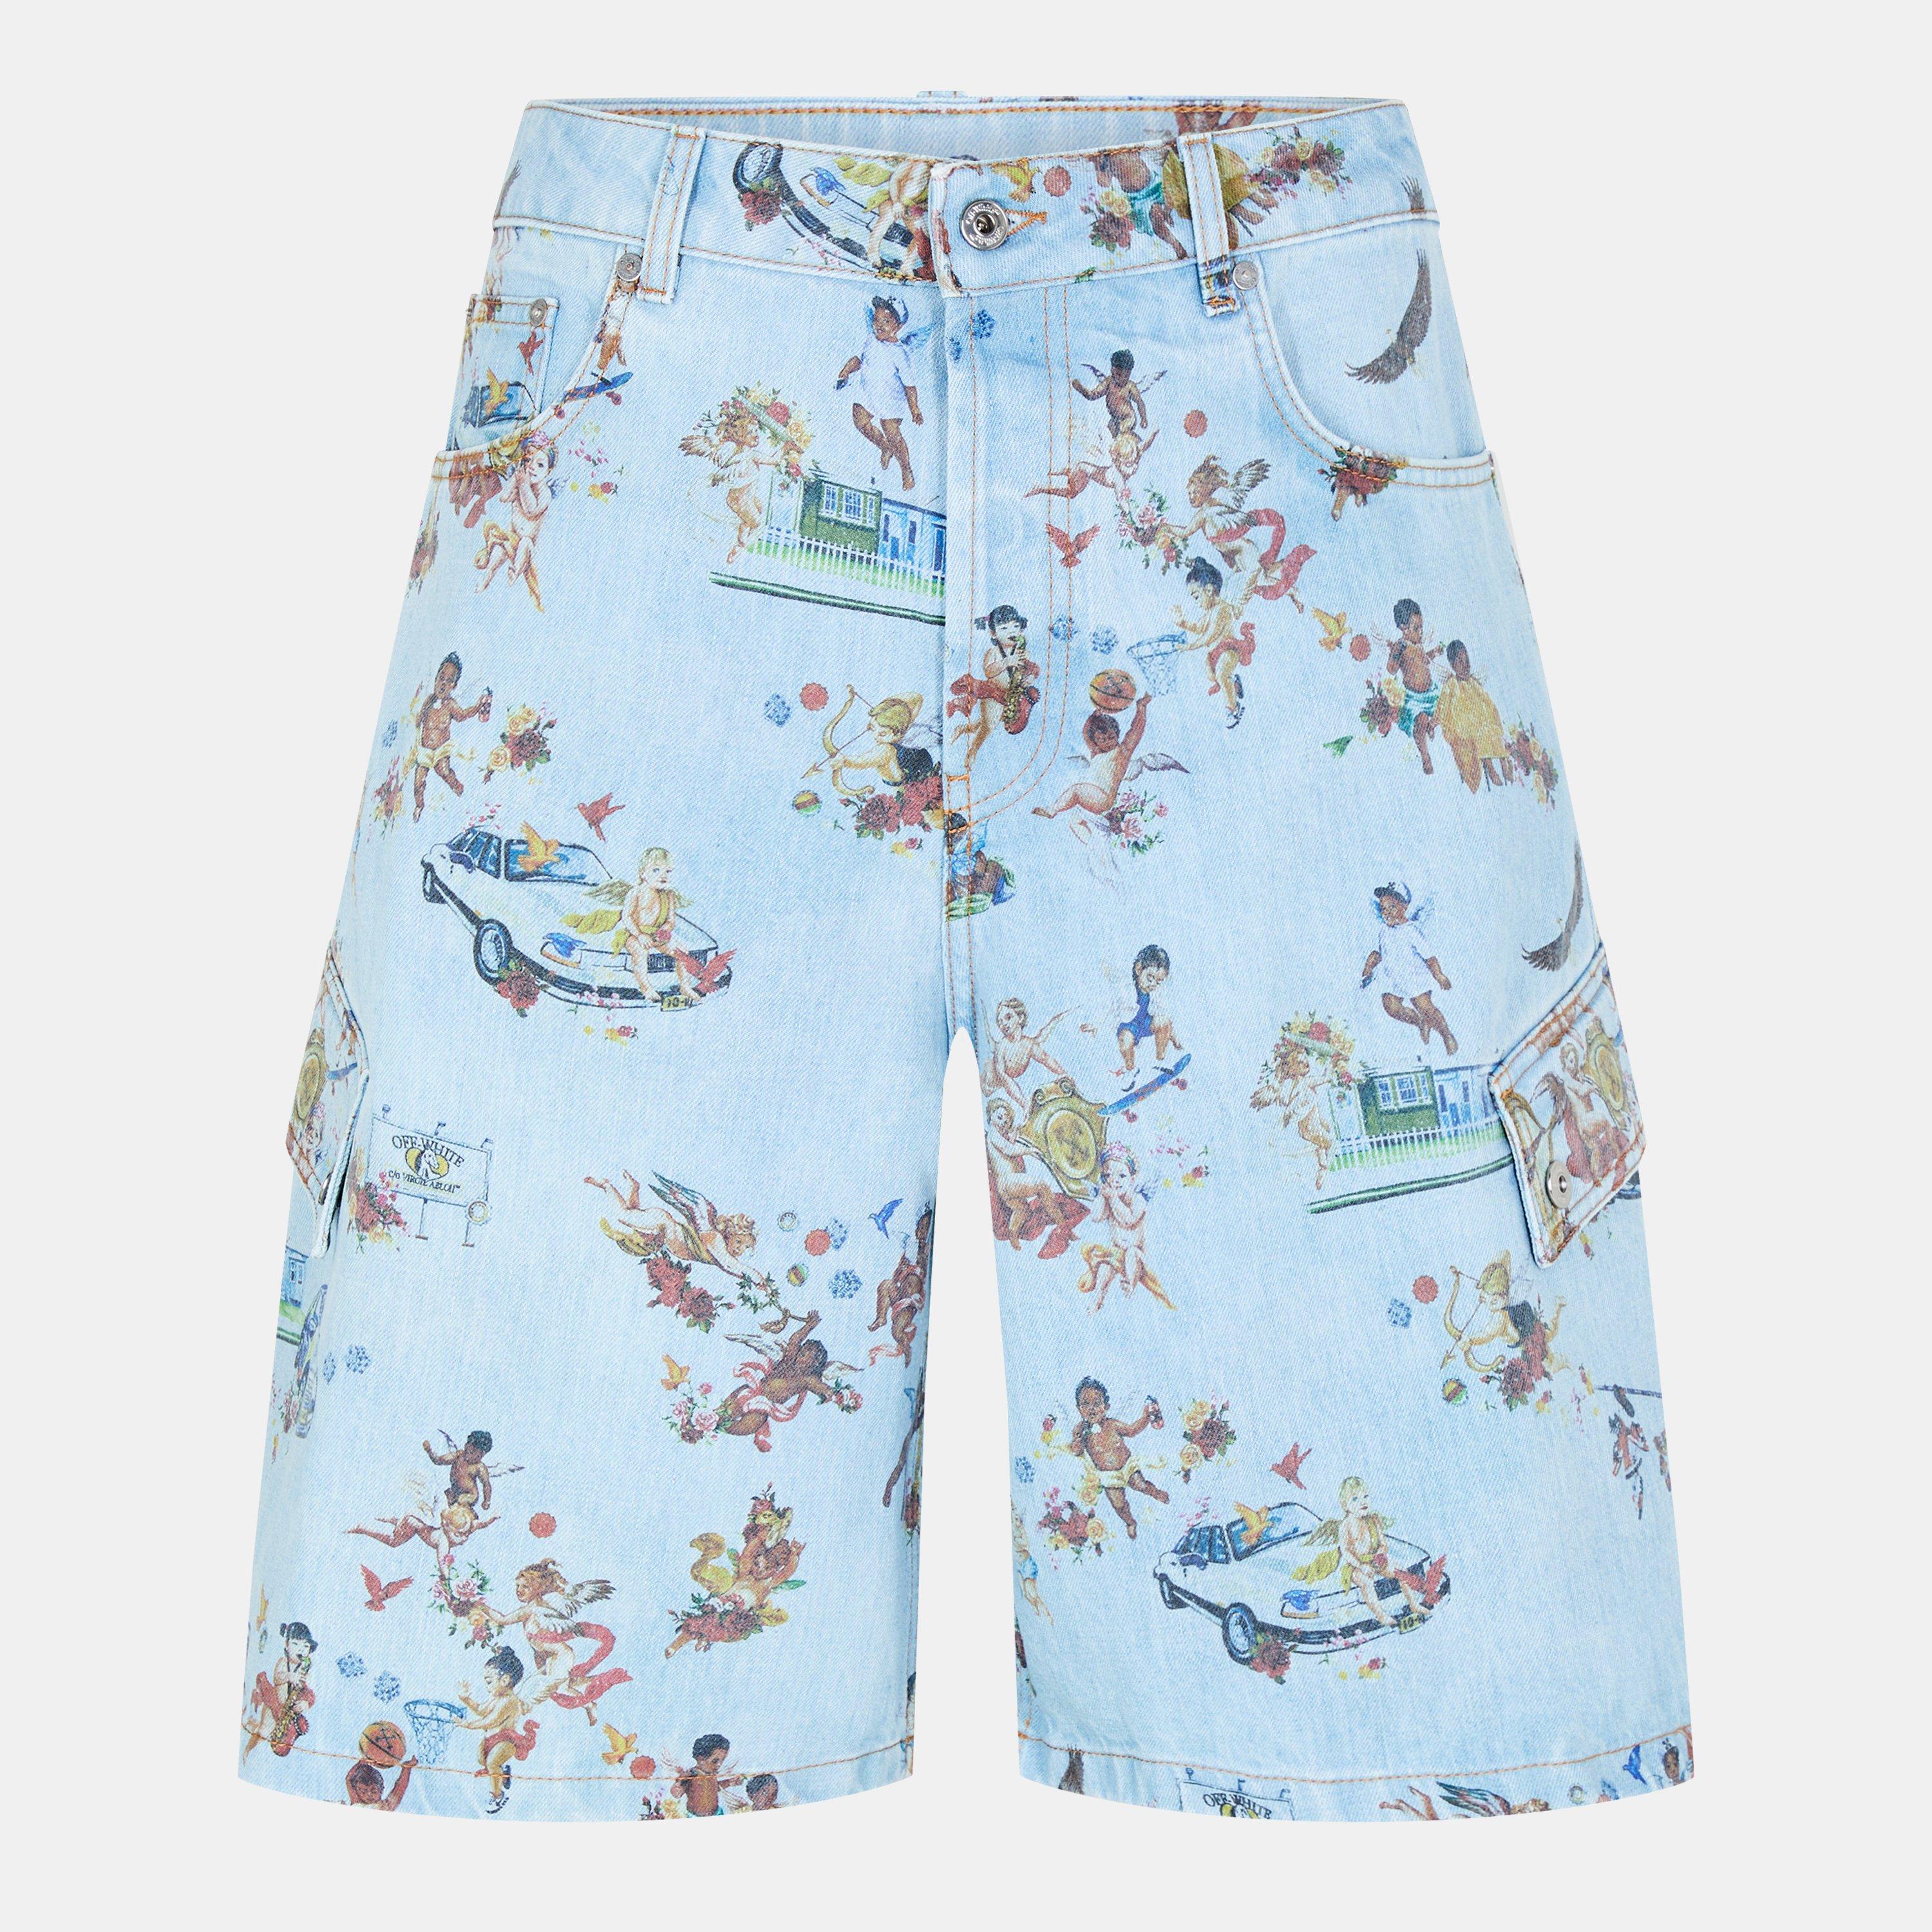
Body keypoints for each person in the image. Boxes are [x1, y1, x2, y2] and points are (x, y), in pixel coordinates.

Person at [837, 296, 923, 491]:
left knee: (893, 435)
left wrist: (915, 408)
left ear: (898, 326)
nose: (879, 325)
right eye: (876, 320)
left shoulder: (900, 353)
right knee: (860, 420)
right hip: (869, 393)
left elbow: (910, 385)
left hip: (891, 400)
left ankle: (906, 469)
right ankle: (884, 447)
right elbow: (859, 360)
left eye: (886, 321)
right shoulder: (871, 340)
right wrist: (846, 371)